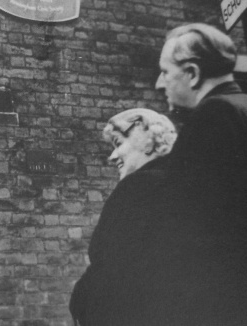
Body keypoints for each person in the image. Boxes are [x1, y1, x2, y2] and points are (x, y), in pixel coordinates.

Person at [153, 23, 247, 325]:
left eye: (165, 72)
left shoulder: (213, 117)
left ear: (192, 73)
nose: (159, 84)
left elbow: (193, 230)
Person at [69, 108, 177, 326]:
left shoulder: (136, 188)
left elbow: (110, 265)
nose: (112, 156)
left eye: (118, 143)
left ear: (148, 142)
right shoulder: (179, 188)